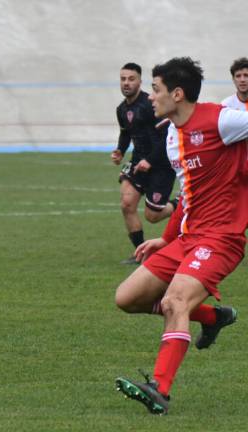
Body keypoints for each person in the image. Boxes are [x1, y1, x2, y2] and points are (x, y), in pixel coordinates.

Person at [114, 57, 248, 415]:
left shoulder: (221, 119)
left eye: (155, 90)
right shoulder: (172, 132)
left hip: (221, 239)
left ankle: (160, 389)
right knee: (127, 298)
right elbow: (189, 194)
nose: (150, 97)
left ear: (177, 93)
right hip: (189, 237)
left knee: (175, 301)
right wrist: (167, 238)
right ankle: (212, 317)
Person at [111, 63, 176, 264]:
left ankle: (179, 203)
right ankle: (140, 253)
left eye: (131, 79)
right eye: (123, 79)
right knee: (126, 203)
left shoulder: (151, 104)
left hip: (161, 164)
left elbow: (167, 137)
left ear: (139, 81)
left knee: (152, 216)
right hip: (138, 161)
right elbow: (125, 132)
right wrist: (120, 150)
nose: (126, 83)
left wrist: (150, 160)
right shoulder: (121, 109)